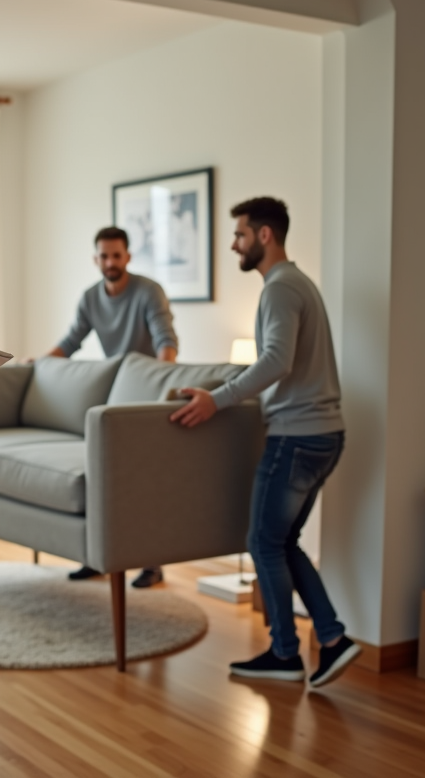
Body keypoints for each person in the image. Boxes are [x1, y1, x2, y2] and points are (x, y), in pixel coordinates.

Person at [170, 197, 359, 688]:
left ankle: (285, 654)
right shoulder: (299, 284)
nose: (235, 243)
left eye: (239, 234)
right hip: (325, 434)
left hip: (297, 438)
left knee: (262, 541)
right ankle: (333, 639)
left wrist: (218, 399)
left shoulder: (279, 288)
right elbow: (284, 364)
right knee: (281, 540)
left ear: (265, 235)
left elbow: (277, 361)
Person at [48, 226, 178, 588]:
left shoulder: (149, 292)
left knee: (145, 482)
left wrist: (162, 380)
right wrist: (38, 362)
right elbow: (72, 340)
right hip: (114, 389)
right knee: (104, 478)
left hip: (147, 390)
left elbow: (165, 340)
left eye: (116, 256)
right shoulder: (91, 297)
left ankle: (152, 562)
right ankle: (98, 556)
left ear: (128, 257)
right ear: (96, 259)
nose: (110, 262)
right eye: (103, 256)